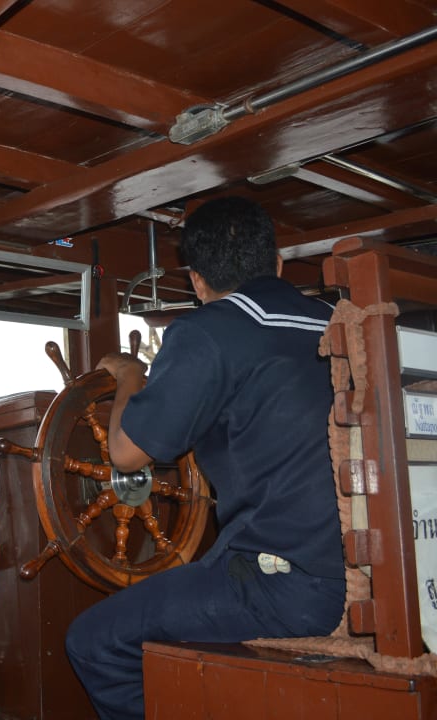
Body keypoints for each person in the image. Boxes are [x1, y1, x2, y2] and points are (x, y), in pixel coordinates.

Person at [65, 196, 346, 720]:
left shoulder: (208, 331)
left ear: (197, 282)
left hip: (288, 587)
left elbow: (126, 453)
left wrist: (130, 376)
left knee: (93, 640)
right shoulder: (336, 323)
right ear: (279, 264)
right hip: (358, 574)